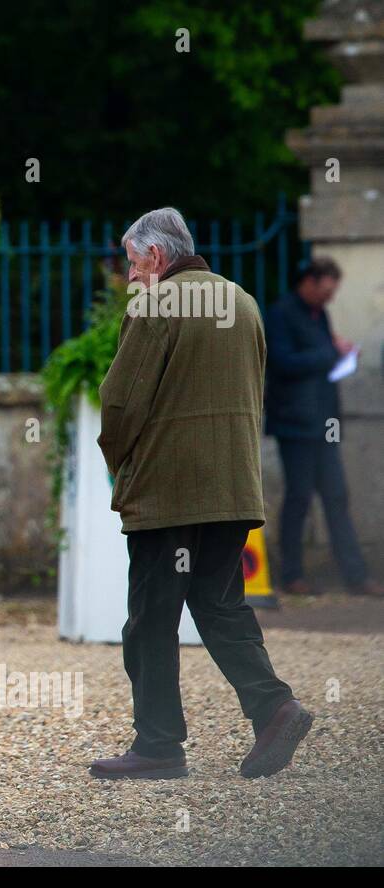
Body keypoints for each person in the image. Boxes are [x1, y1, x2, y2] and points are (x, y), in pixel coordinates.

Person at [91, 207, 311, 781]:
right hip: (233, 486)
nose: (130, 278)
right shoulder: (242, 301)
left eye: (133, 265)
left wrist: (118, 460)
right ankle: (275, 706)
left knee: (151, 619)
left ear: (156, 258)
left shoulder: (155, 304)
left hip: (168, 493)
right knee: (220, 603)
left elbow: (121, 403)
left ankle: (159, 745)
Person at [264, 258, 381, 596]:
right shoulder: (282, 313)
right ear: (309, 282)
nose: (330, 298)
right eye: (327, 290)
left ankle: (355, 576)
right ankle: (291, 575)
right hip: (295, 423)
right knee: (299, 497)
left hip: (324, 421)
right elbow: (283, 363)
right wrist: (330, 353)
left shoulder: (319, 315)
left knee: (336, 496)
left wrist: (336, 353)